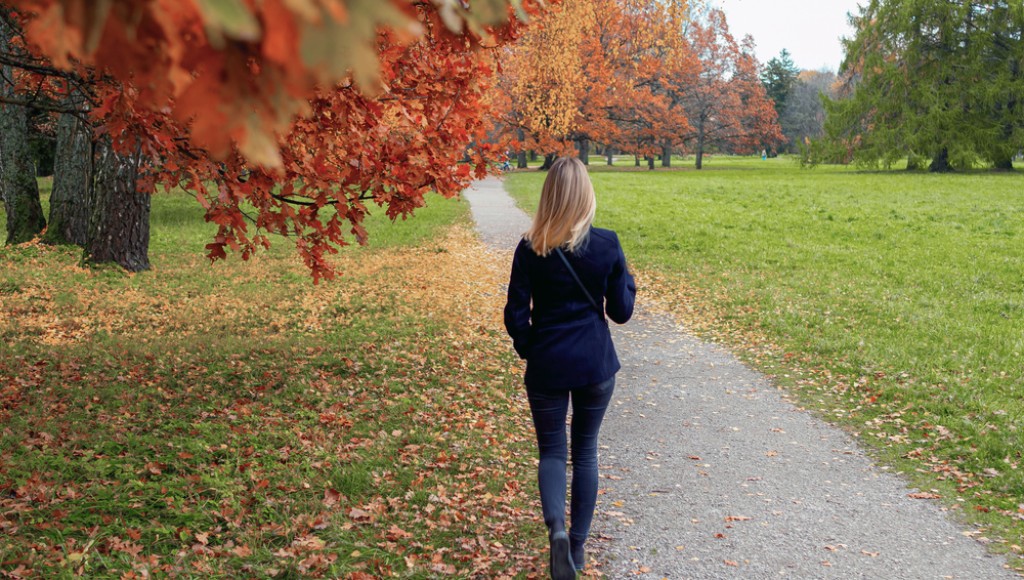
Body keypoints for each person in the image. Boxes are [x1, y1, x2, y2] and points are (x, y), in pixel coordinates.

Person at [503, 157, 636, 579]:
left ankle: (556, 531)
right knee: (586, 451)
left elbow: (515, 313)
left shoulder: (530, 248)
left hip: (548, 364)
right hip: (595, 365)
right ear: (586, 196)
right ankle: (576, 550)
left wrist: (532, 348)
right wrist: (627, 281)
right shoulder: (607, 244)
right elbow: (621, 312)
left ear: (549, 197)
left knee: (553, 452)